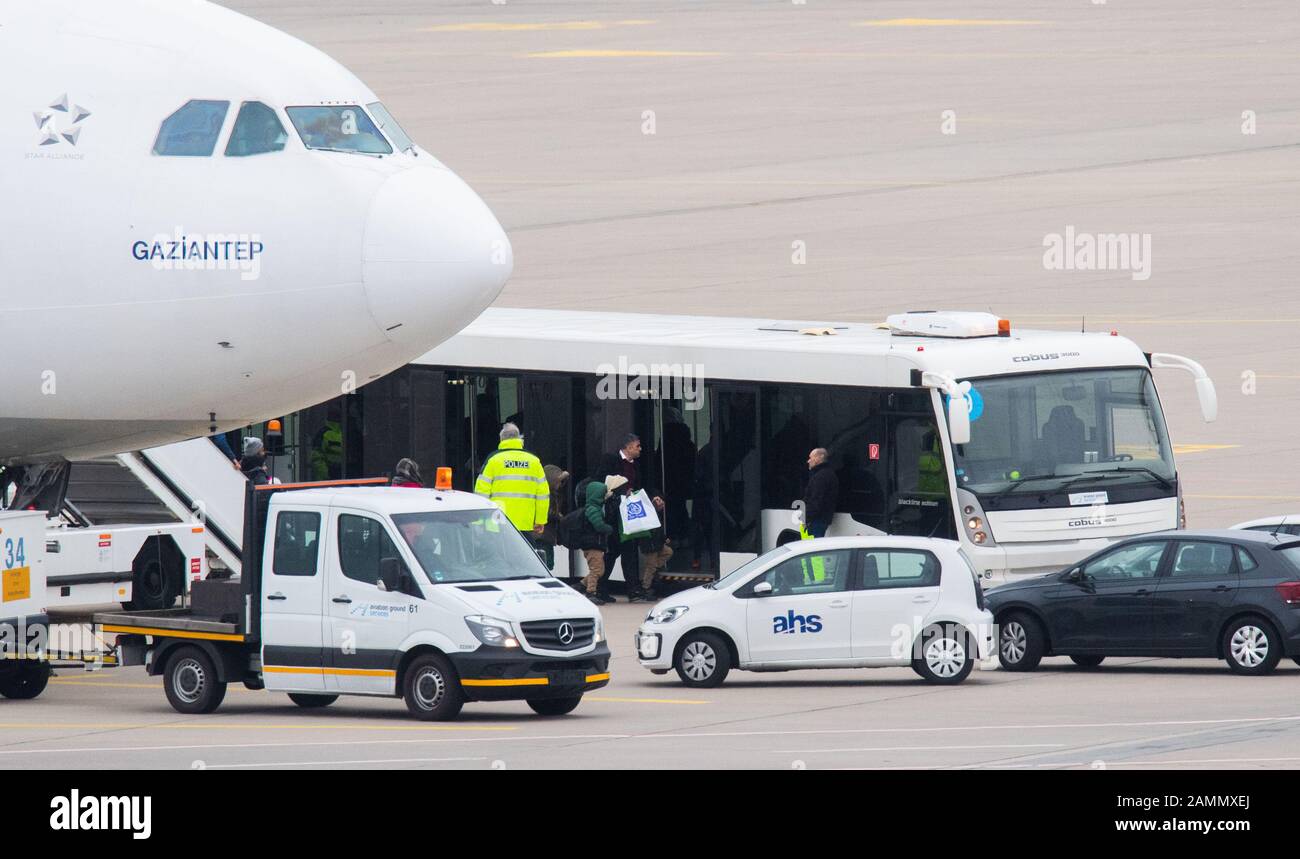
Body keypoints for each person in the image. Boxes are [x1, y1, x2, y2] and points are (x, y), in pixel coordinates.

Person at [473, 423, 549, 540]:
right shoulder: (534, 462)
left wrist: (480, 519)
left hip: (497, 522)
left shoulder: (493, 460)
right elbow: (543, 495)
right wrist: (540, 520)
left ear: (502, 439)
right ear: (519, 439)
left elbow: (481, 492)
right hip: (525, 524)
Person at [579, 475, 621, 604]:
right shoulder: (593, 509)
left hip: (595, 544)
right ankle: (590, 592)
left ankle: (579, 586)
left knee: (599, 569)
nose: (605, 496)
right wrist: (609, 529)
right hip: (592, 545)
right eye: (603, 494)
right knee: (597, 570)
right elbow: (598, 525)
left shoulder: (594, 507)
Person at [536, 465, 570, 570]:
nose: (560, 485)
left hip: (546, 536)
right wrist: (558, 516)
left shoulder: (554, 495)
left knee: (547, 563)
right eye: (558, 481)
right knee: (546, 563)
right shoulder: (546, 496)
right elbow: (546, 513)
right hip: (543, 536)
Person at [802, 447, 838, 539]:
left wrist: (806, 518)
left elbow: (816, 500)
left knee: (812, 549)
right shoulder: (827, 473)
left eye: (811, 458)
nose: (808, 461)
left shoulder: (821, 476)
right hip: (820, 519)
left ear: (819, 458)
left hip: (816, 520)